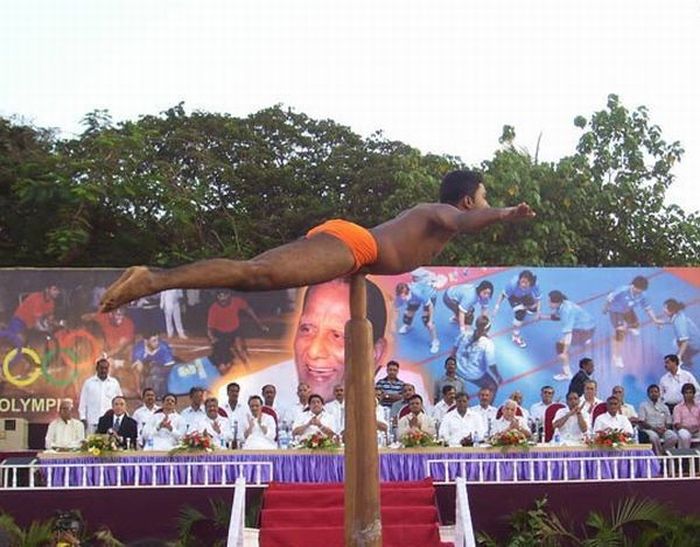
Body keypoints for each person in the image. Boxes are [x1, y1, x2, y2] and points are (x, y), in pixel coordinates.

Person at [99, 169, 535, 313]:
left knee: (253, 276)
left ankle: (154, 279)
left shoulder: (433, 222)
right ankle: (152, 279)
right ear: (465, 200)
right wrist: (505, 214)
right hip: (355, 245)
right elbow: (464, 222)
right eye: (483, 198)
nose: (486, 203)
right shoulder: (441, 215)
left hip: (355, 256)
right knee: (255, 273)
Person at [603, 276, 663, 369]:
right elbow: (608, 299)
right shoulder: (622, 291)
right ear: (632, 286)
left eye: (641, 290)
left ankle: (632, 327)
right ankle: (617, 356)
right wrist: (605, 308)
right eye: (638, 289)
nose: (639, 291)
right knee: (620, 332)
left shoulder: (643, 294)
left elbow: (648, 309)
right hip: (616, 311)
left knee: (635, 326)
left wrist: (655, 320)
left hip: (628, 310)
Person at [207, 289, 268, 372]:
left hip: (235, 330)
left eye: (224, 296)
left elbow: (249, 310)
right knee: (223, 367)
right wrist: (212, 338)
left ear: (229, 296)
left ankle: (250, 370)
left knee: (240, 350)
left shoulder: (237, 301)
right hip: (221, 334)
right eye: (220, 296)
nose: (222, 299)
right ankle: (229, 362)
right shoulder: (214, 308)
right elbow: (210, 328)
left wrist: (260, 324)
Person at [545, 290, 595, 381]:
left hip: (584, 331)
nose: (548, 303)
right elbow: (557, 317)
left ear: (557, 302)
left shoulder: (566, 311)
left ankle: (567, 374)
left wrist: (564, 351)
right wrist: (542, 317)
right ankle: (584, 340)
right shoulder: (564, 304)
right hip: (590, 327)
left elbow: (568, 334)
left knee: (560, 345)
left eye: (550, 301)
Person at [452, 316, 502, 395]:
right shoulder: (487, 343)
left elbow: (454, 349)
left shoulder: (465, 333)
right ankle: (486, 406)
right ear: (487, 330)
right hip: (473, 374)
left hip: (458, 369)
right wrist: (498, 376)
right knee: (493, 386)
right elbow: (491, 365)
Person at [492, 270, 541, 348]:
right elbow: (502, 295)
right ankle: (515, 336)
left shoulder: (535, 284)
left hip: (525, 295)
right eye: (522, 282)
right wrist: (497, 307)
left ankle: (524, 308)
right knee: (520, 314)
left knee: (534, 309)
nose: (523, 284)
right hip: (513, 297)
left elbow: (538, 299)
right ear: (519, 280)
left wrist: (538, 312)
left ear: (531, 282)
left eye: (526, 283)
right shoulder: (512, 284)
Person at [78, 359, 123, 434]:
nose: (103, 370)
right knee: (92, 444)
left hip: (109, 424)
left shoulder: (114, 383)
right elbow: (83, 403)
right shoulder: (89, 383)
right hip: (92, 423)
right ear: (97, 368)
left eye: (106, 368)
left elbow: (120, 402)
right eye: (101, 368)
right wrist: (83, 418)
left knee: (109, 445)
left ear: (108, 369)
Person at [395, 279, 440, 354]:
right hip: (414, 298)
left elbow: (430, 306)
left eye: (404, 296)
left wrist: (430, 321)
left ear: (408, 292)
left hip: (429, 296)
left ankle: (435, 341)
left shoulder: (417, 294)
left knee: (426, 320)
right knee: (408, 313)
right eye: (401, 297)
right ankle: (407, 326)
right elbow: (395, 306)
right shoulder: (401, 295)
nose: (403, 299)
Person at [131, 332, 175, 397]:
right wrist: (138, 389)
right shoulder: (139, 349)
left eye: (157, 339)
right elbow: (136, 371)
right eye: (154, 341)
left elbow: (171, 369)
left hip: (162, 371)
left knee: (155, 371)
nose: (157, 343)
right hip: (147, 373)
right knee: (140, 367)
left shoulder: (164, 347)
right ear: (146, 342)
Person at [638, 384, 678, 454]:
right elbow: (641, 422)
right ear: (648, 394)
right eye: (652, 392)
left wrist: (664, 429)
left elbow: (669, 422)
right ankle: (659, 459)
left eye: (656, 392)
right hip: (649, 430)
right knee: (654, 437)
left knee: (673, 436)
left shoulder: (664, 407)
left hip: (662, 430)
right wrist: (654, 429)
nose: (654, 394)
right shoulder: (643, 406)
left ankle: (661, 453)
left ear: (659, 394)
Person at [662, 299, 699, 367]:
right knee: (678, 341)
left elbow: (685, 342)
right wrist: (661, 322)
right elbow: (671, 320)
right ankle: (686, 357)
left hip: (695, 344)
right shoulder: (678, 313)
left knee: (676, 343)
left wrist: (678, 356)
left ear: (672, 311)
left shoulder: (679, 323)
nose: (663, 310)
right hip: (696, 339)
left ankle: (686, 360)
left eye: (665, 308)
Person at [673, 383, 700, 449]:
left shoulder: (699, 406)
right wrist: (688, 429)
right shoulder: (678, 407)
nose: (688, 395)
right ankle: (685, 456)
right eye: (686, 393)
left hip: (697, 430)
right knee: (684, 435)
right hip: (683, 430)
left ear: (694, 394)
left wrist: (696, 429)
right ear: (683, 394)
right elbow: (677, 425)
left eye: (691, 392)